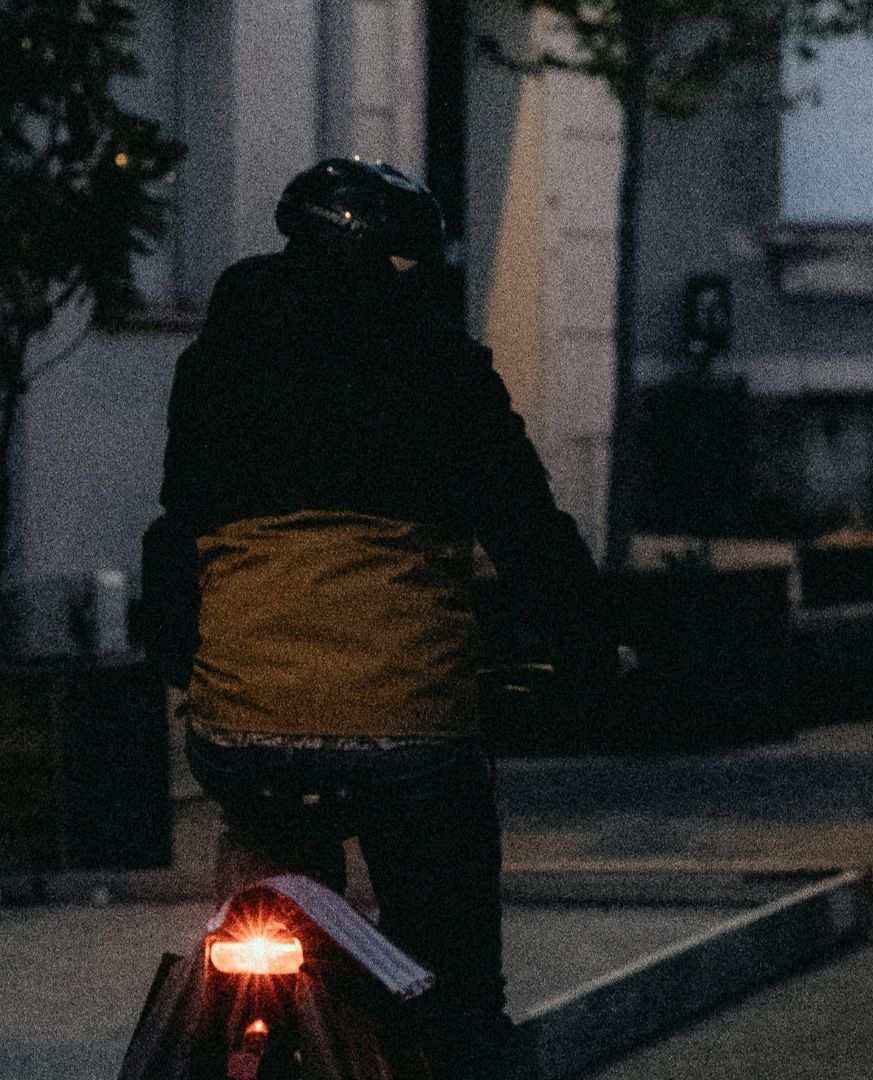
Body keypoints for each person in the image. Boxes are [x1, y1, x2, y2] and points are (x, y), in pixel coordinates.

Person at [140, 157, 620, 1077]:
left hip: (239, 725)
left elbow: (179, 528)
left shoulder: (215, 364)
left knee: (261, 853)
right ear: (401, 263)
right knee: (456, 972)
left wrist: (179, 659)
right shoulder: (442, 362)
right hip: (406, 729)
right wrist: (589, 656)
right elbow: (527, 529)